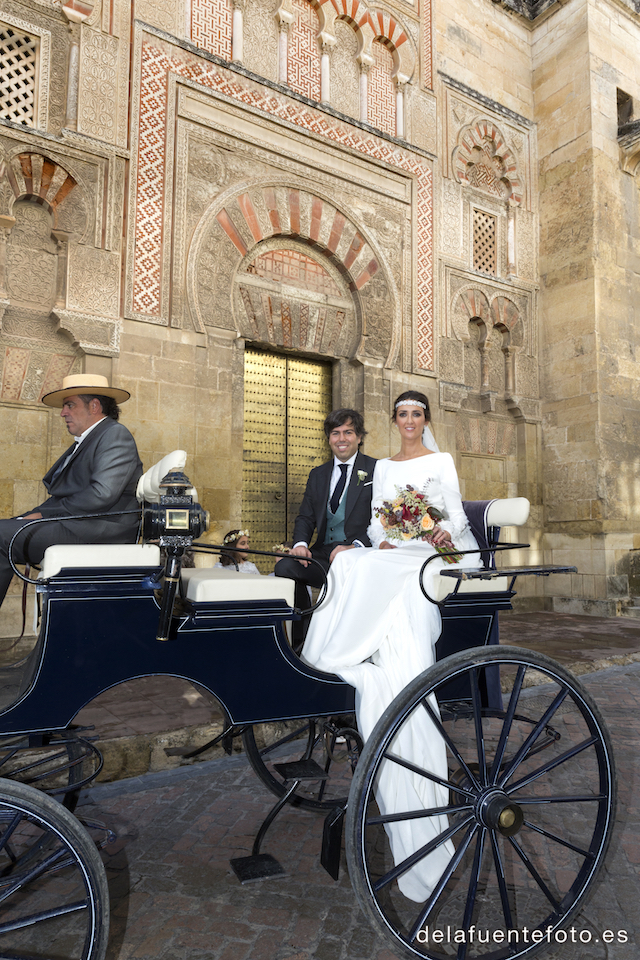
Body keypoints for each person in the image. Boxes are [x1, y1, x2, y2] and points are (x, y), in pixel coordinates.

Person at [301, 390, 480, 903]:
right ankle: (342, 652)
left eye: (416, 414)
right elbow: (379, 518)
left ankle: (377, 654)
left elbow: (451, 517)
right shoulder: (381, 468)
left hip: (434, 551)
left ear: (426, 419)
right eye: (401, 414)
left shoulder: (440, 460)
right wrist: (385, 535)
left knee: (381, 567)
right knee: (353, 560)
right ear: (394, 420)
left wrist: (429, 531)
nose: (408, 421)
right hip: (396, 546)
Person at [0, 373, 143, 611]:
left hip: (98, 531)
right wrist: (29, 516)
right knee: (5, 531)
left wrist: (44, 516)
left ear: (94, 405)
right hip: (79, 524)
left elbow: (102, 493)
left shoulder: (114, 434)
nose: (63, 413)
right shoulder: (93, 438)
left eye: (70, 405)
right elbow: (63, 498)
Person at [274, 408, 376, 639]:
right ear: (328, 438)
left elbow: (382, 519)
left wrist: (356, 546)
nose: (341, 439)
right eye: (335, 433)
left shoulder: (376, 469)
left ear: (359, 437)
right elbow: (306, 516)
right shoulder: (317, 474)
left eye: (348, 432)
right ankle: (303, 635)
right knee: (285, 567)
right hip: (324, 554)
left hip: (359, 554)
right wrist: (300, 544)